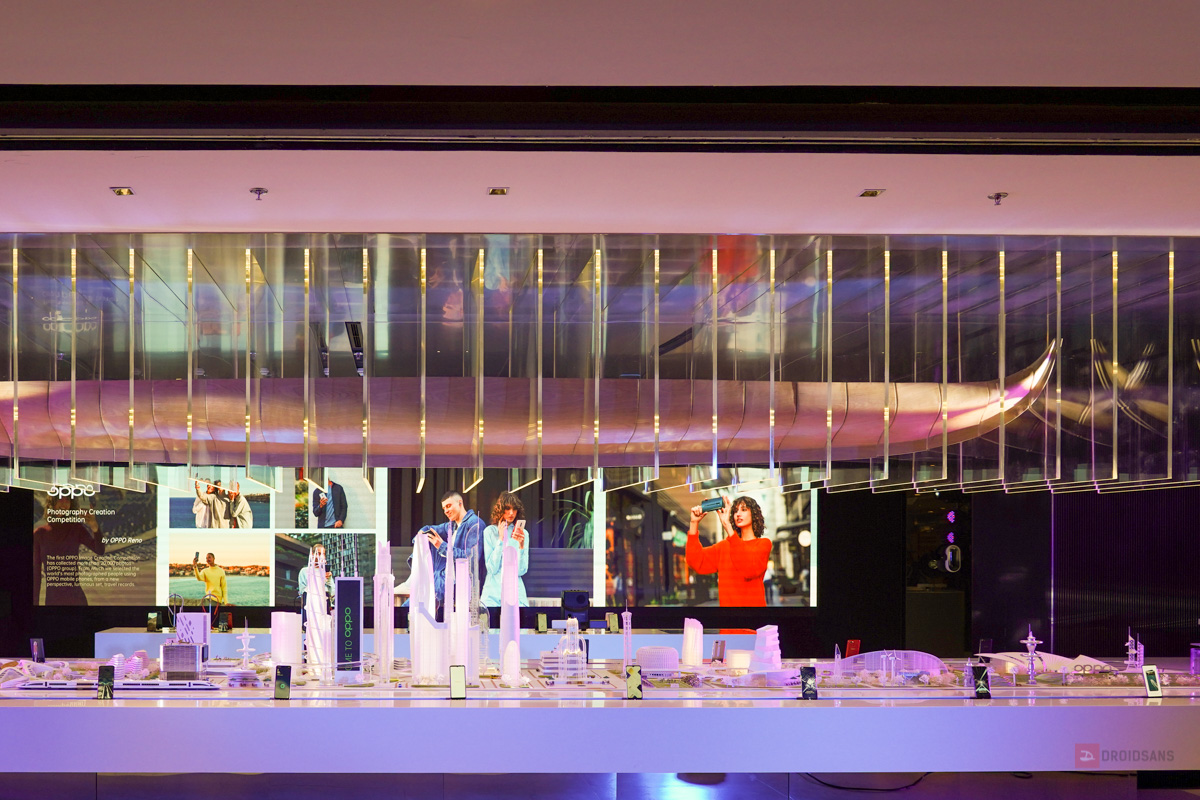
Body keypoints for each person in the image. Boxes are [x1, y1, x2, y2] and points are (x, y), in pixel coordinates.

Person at [686, 495, 772, 607]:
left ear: (754, 514)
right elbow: (695, 561)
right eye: (735, 511)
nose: (738, 514)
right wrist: (694, 523)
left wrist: (728, 527)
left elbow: (749, 570)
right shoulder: (724, 546)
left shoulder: (763, 544)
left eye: (743, 509)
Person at [415, 490, 483, 613]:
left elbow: (471, 557)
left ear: (460, 503)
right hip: (444, 579)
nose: (446, 511)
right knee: (417, 602)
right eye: (444, 508)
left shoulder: (474, 523)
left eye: (449, 506)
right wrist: (421, 534)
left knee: (416, 604)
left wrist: (442, 546)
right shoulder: (452, 525)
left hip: (461, 585)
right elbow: (430, 528)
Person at [33, 494, 105, 605]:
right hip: (53, 601)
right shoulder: (39, 534)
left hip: (77, 600)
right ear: (52, 502)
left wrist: (94, 526)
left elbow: (100, 550)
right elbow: (36, 574)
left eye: (67, 499)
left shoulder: (77, 528)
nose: (64, 502)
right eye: (60, 498)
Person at [480, 491, 529, 608]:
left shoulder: (523, 534)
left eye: (514, 509)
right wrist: (500, 539)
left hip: (515, 594)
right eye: (507, 508)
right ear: (501, 509)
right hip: (492, 595)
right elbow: (492, 568)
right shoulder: (489, 532)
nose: (511, 513)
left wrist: (521, 546)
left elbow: (521, 571)